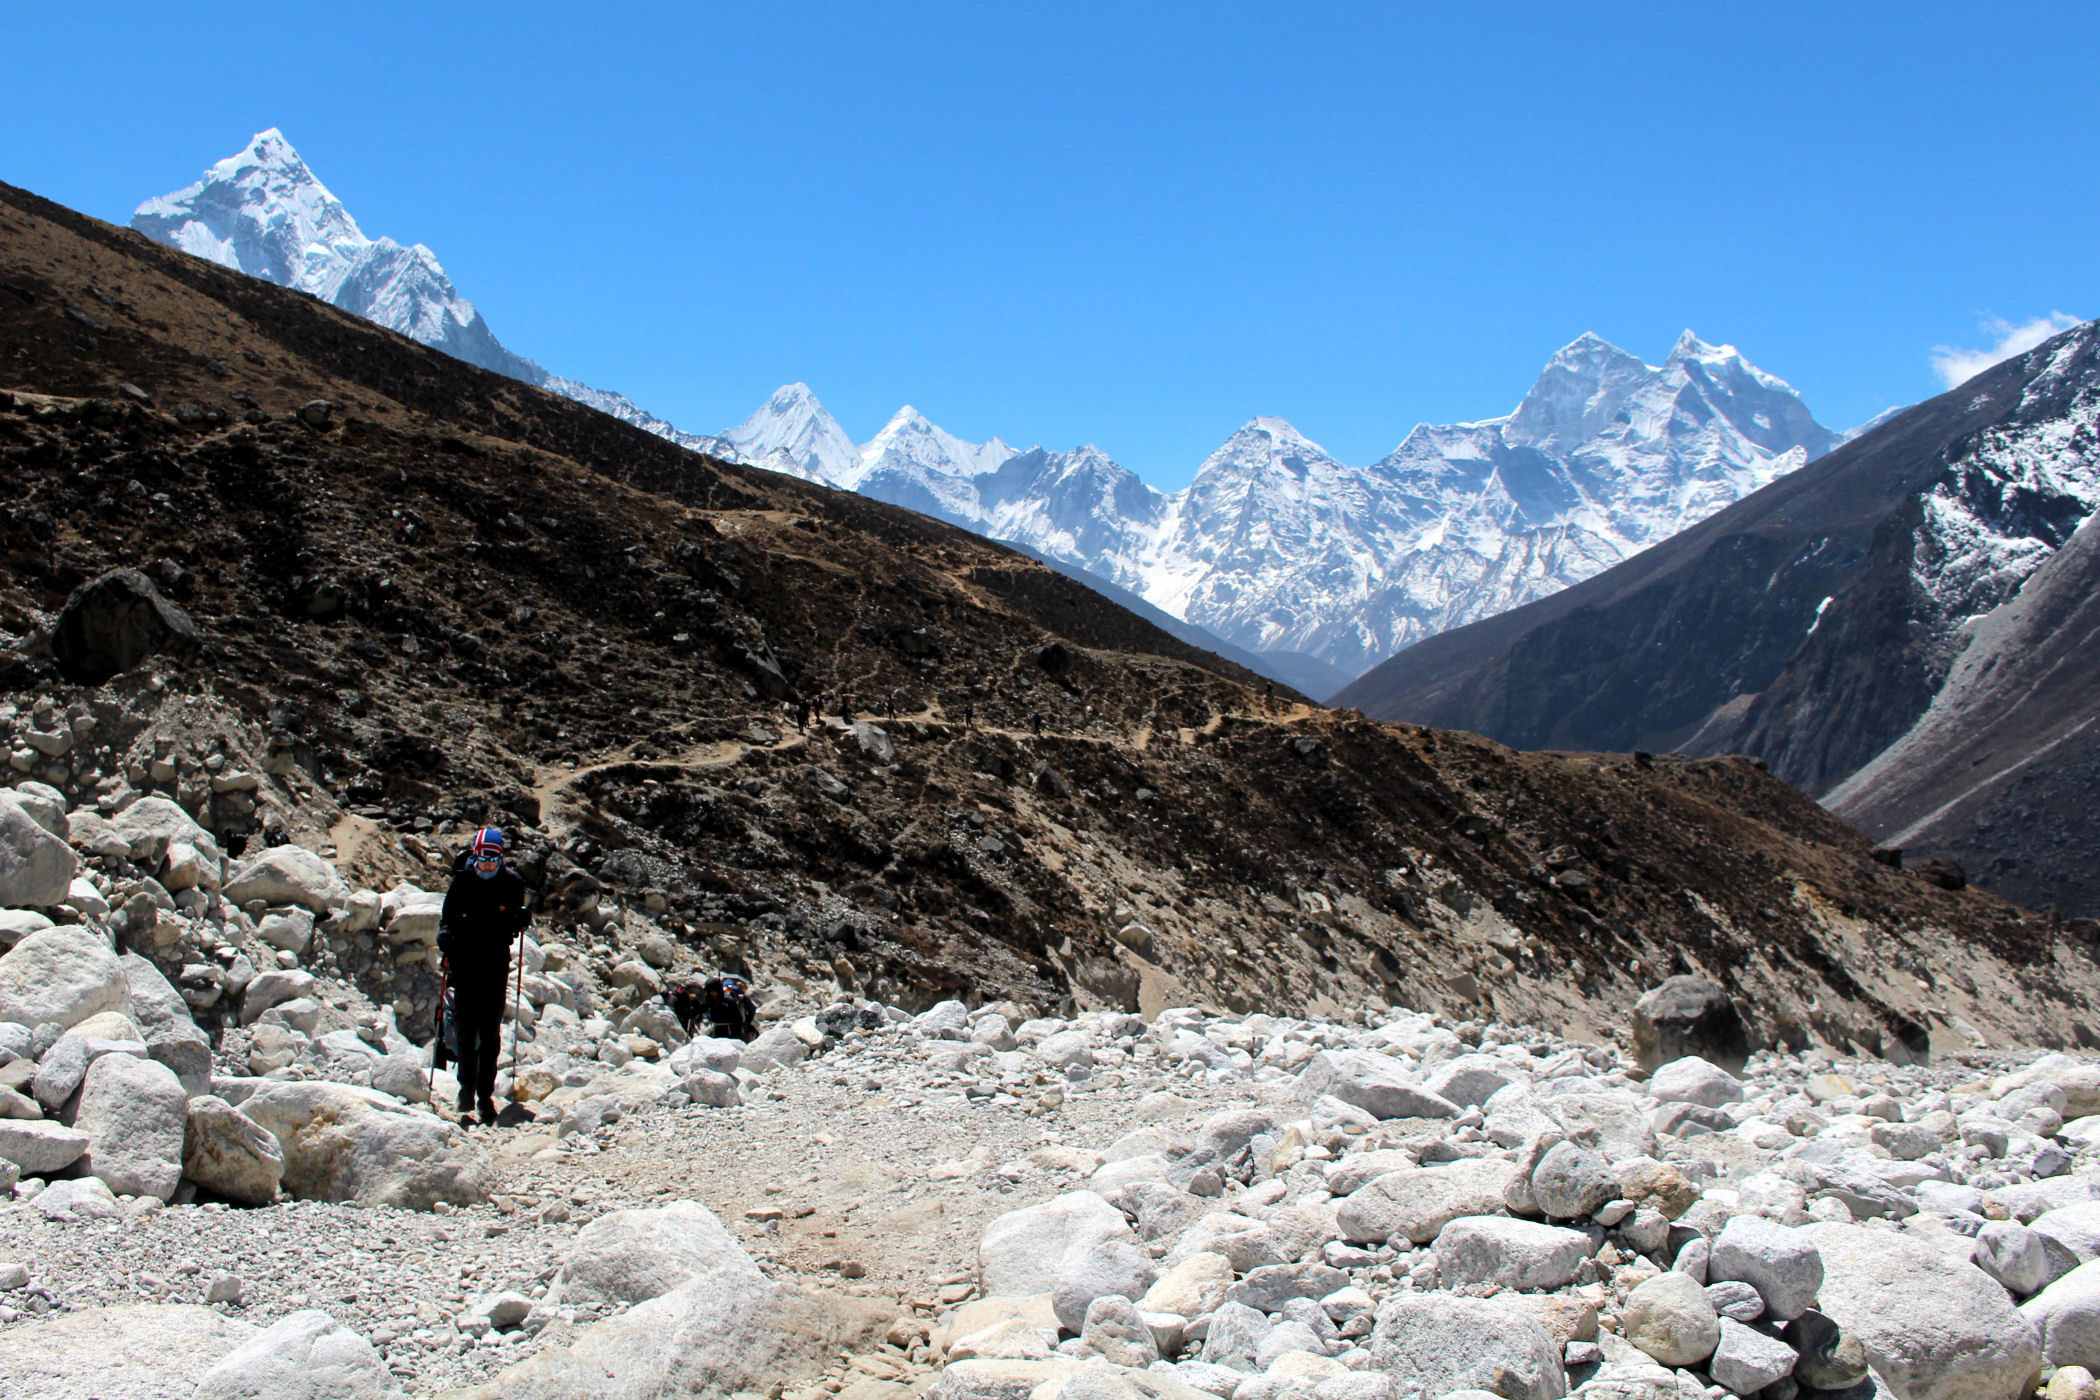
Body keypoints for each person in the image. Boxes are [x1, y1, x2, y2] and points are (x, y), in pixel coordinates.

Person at [436, 827, 532, 1125]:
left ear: (500, 857)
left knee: (490, 1032)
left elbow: (514, 922)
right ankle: (466, 1088)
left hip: (494, 964)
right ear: (475, 856)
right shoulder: (462, 881)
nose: (487, 864)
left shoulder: (512, 883)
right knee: (465, 1028)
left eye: (492, 859)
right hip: (464, 961)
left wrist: (521, 920)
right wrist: (444, 937)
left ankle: (485, 1095)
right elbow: (447, 918)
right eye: (482, 858)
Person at [701, 974, 759, 1041]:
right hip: (734, 1029)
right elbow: (751, 1010)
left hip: (719, 1028)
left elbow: (708, 1012)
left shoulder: (714, 996)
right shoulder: (737, 994)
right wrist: (746, 1024)